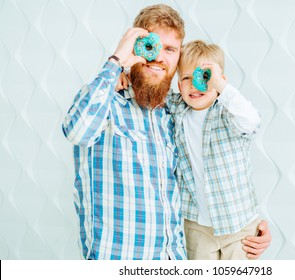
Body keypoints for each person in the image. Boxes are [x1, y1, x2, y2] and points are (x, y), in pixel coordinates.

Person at [63, 4, 270, 260]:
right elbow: (77, 132)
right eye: (151, 44)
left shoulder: (172, 114)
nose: (159, 56)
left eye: (170, 49)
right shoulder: (107, 101)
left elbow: (212, 166)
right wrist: (116, 62)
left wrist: (248, 226)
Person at [163, 40, 263, 259]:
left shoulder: (229, 113)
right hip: (196, 225)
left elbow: (252, 122)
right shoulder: (177, 109)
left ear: (218, 82)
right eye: (186, 78)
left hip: (239, 223)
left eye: (204, 77)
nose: (194, 85)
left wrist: (223, 88)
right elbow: (152, 91)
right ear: (179, 85)